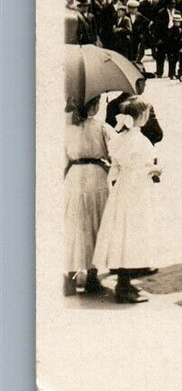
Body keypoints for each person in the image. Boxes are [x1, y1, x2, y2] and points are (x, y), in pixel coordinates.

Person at [91, 100, 162, 304]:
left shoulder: (121, 137)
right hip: (136, 191)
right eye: (146, 114)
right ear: (142, 116)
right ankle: (123, 286)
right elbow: (138, 169)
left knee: (122, 233)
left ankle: (125, 281)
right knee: (132, 233)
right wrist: (154, 169)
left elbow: (116, 166)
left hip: (123, 189)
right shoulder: (139, 140)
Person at [63, 96, 109, 297]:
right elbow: (115, 150)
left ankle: (71, 278)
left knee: (75, 227)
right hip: (96, 177)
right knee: (95, 226)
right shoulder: (101, 127)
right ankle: (92, 278)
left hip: (74, 177)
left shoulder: (68, 128)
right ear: (94, 107)